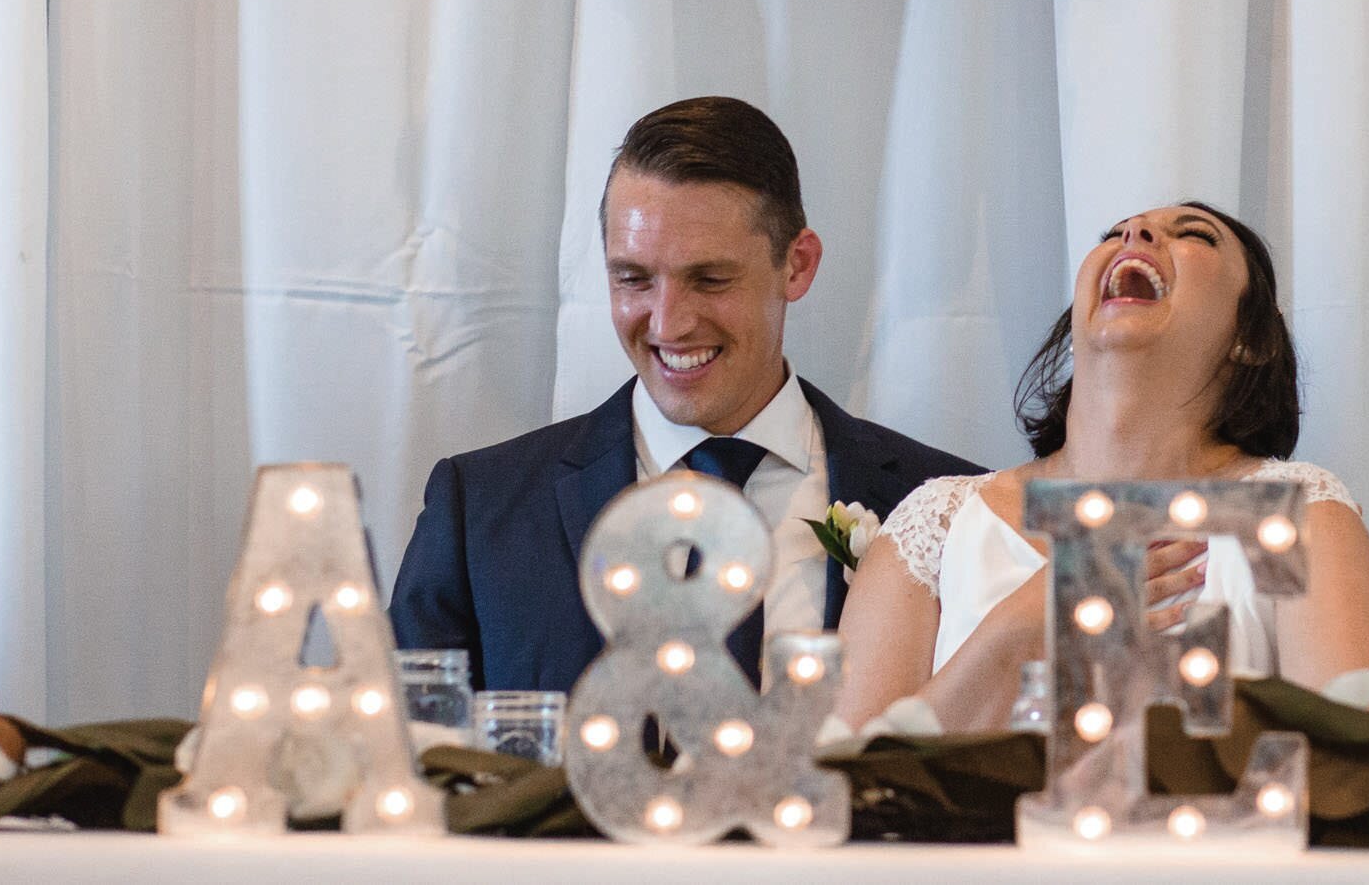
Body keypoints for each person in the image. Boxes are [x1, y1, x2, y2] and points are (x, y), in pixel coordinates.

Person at [388, 97, 981, 691]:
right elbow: (409, 759)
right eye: (633, 279)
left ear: (797, 266)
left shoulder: (955, 512)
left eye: (710, 279)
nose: (669, 324)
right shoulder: (482, 510)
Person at [834, 201, 1369, 729]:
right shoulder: (936, 522)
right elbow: (846, 791)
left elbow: (1360, 773)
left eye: (1195, 236)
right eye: (1114, 234)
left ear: (1251, 338)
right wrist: (1017, 633)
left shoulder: (1298, 516)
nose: (1136, 234)